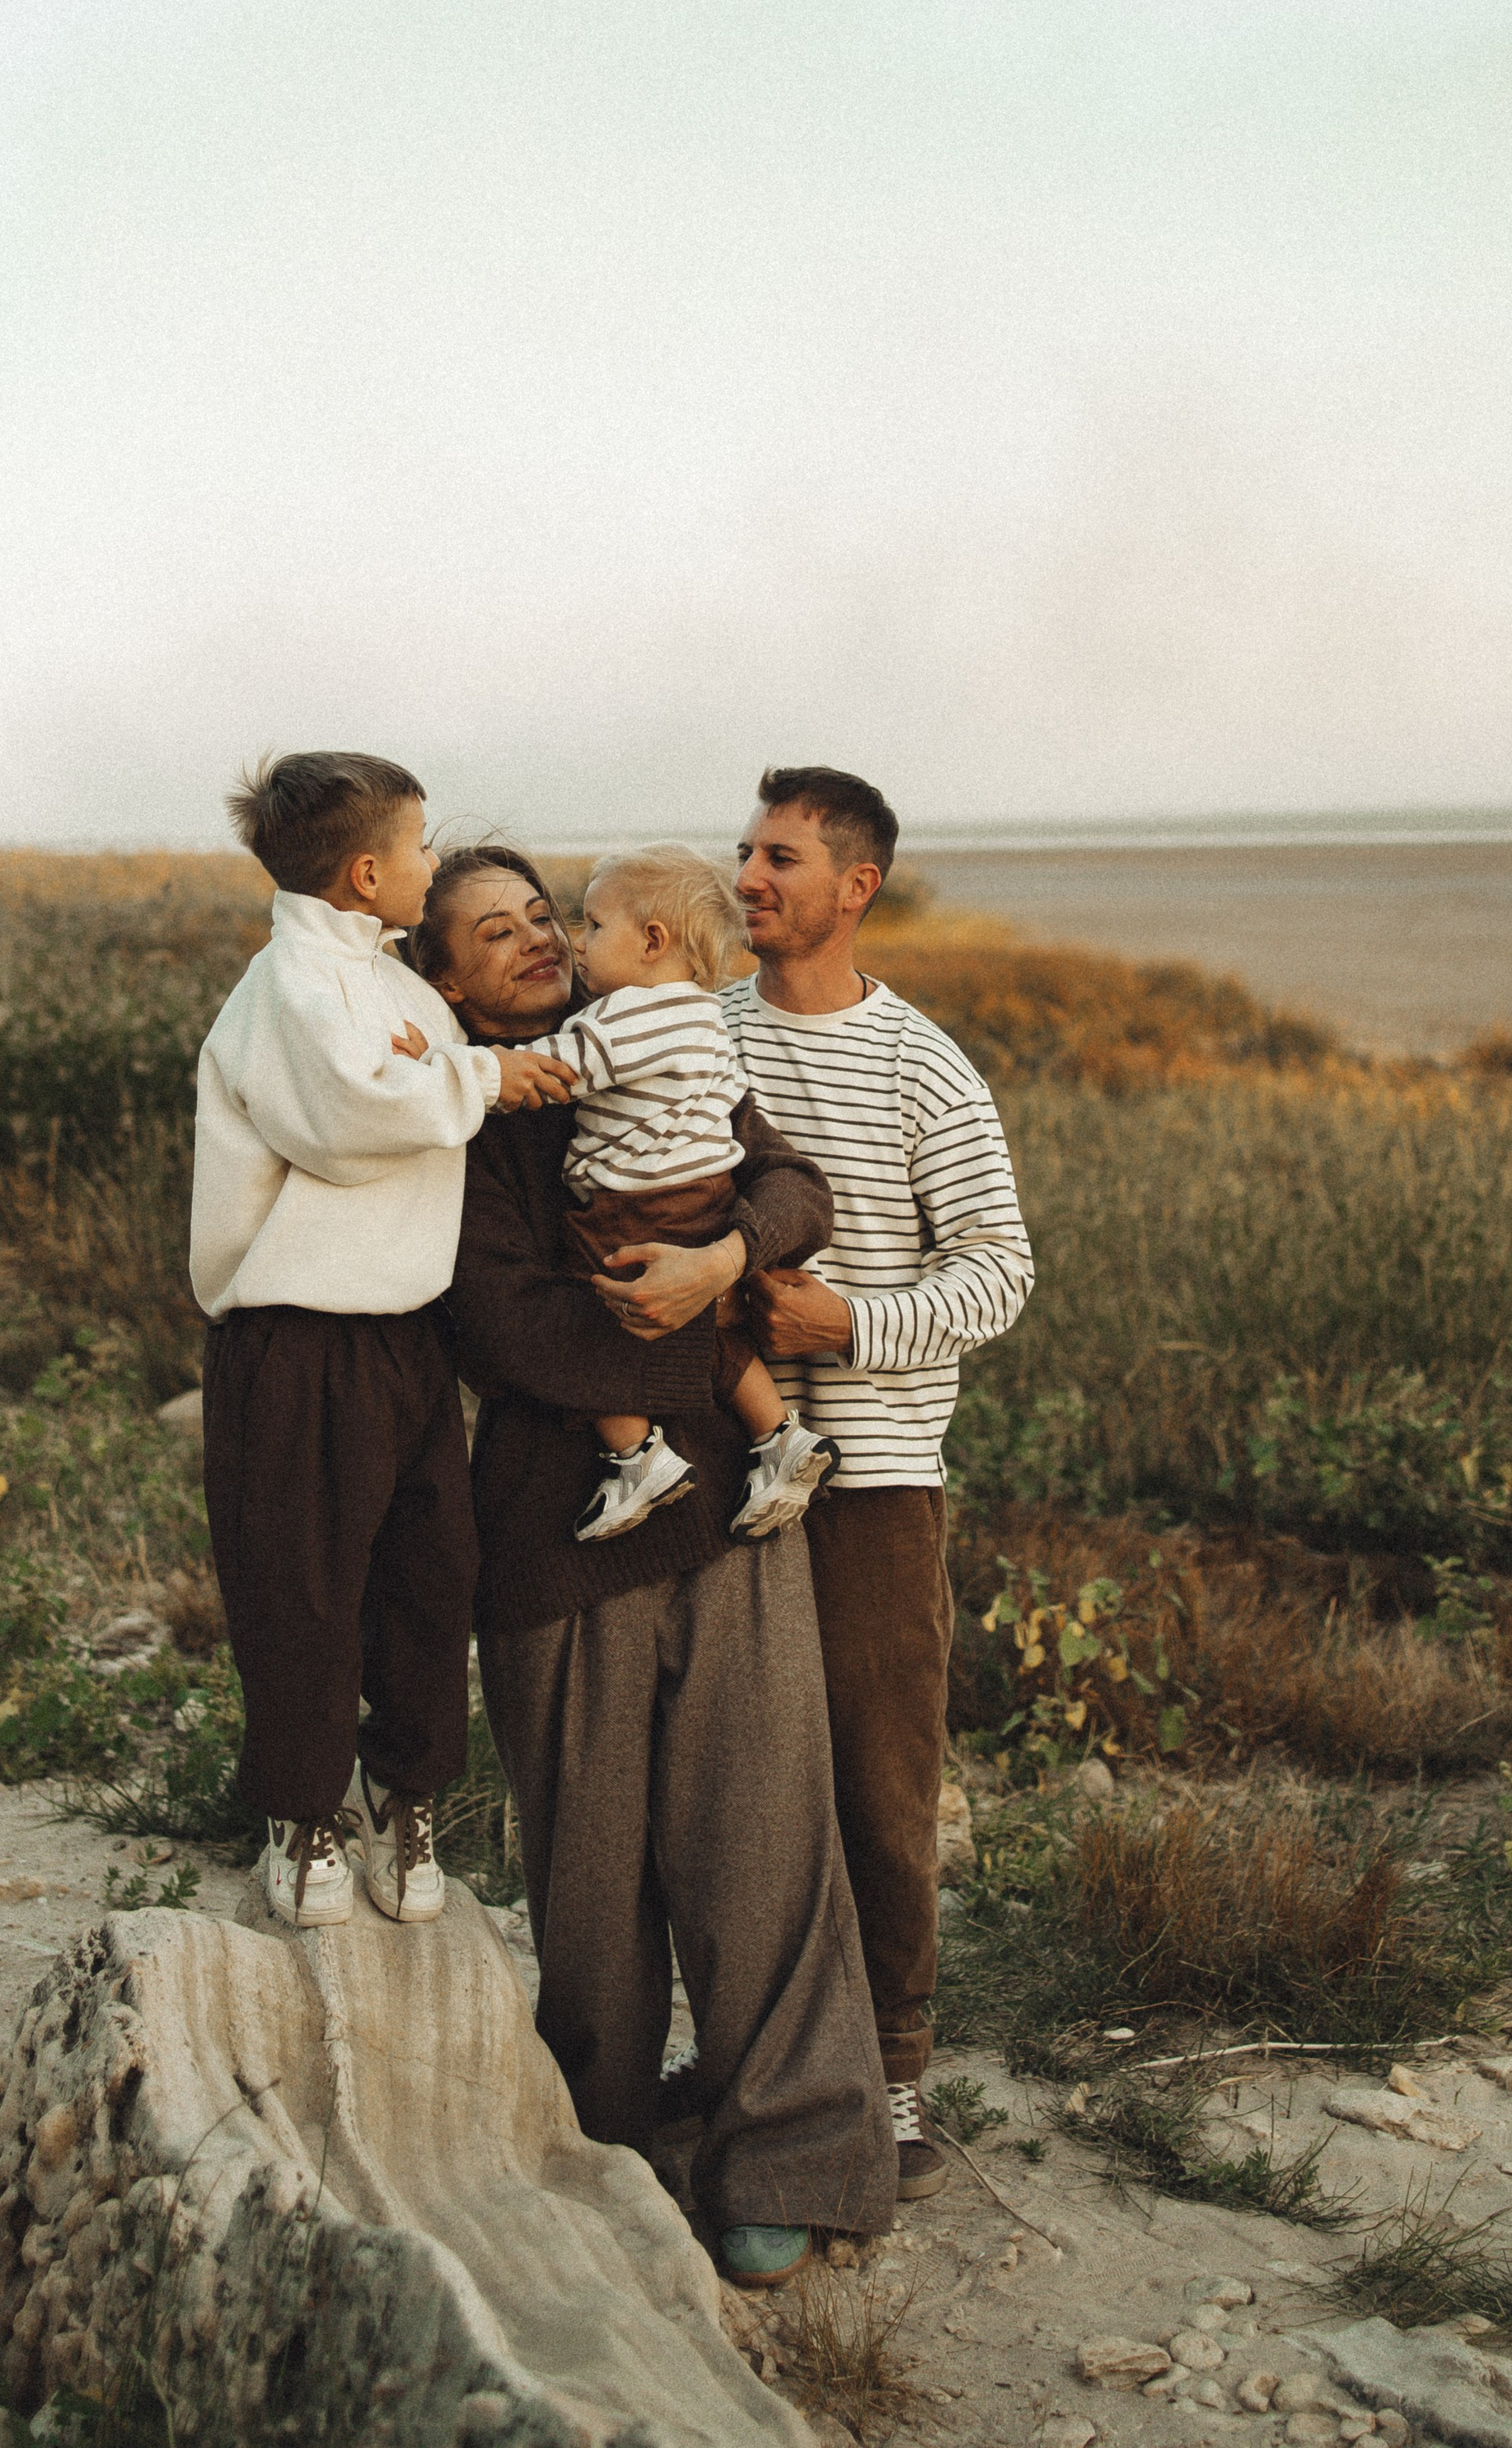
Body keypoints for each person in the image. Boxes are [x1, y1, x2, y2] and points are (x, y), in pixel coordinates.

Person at [413, 845, 896, 2289]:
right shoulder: (461, 1119)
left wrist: (727, 1254)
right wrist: (719, 1319)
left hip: (737, 1519)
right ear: (444, 976)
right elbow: (509, 1333)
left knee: (766, 1844)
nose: (533, 943)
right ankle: (602, 2156)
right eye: (490, 933)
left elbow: (796, 1188)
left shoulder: (663, 1055)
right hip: (564, 1544)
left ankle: (795, 2157)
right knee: (591, 1884)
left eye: (542, 917)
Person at [191, 754, 572, 1932]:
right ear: (367, 874)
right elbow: (354, 1120)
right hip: (297, 1335)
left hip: (406, 1336)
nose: (429, 865)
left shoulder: (397, 988)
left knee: (427, 1576)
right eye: (418, 849)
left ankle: (405, 1795)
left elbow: (410, 1081)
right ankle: (304, 1814)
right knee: (302, 1586)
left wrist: (448, 1067)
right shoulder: (291, 987)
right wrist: (483, 1077)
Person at [724, 767, 1035, 2201]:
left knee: (876, 1781)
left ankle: (895, 2077)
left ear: (857, 886)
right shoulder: (700, 1030)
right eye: (744, 851)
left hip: (876, 1482)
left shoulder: (924, 1064)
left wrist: (846, 1326)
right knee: (731, 1786)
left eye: (780, 856)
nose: (748, 876)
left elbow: (1000, 1273)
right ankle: (750, 2064)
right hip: (712, 1470)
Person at [527, 842, 840, 1545]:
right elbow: (728, 1101)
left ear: (652, 940)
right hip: (708, 1198)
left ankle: (637, 1456)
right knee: (711, 1329)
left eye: (594, 926)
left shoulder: (625, 1015)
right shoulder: (705, 1016)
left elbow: (557, 1069)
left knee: (590, 1307)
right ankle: (781, 1435)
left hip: (633, 1204)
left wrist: (455, 1069)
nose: (578, 943)